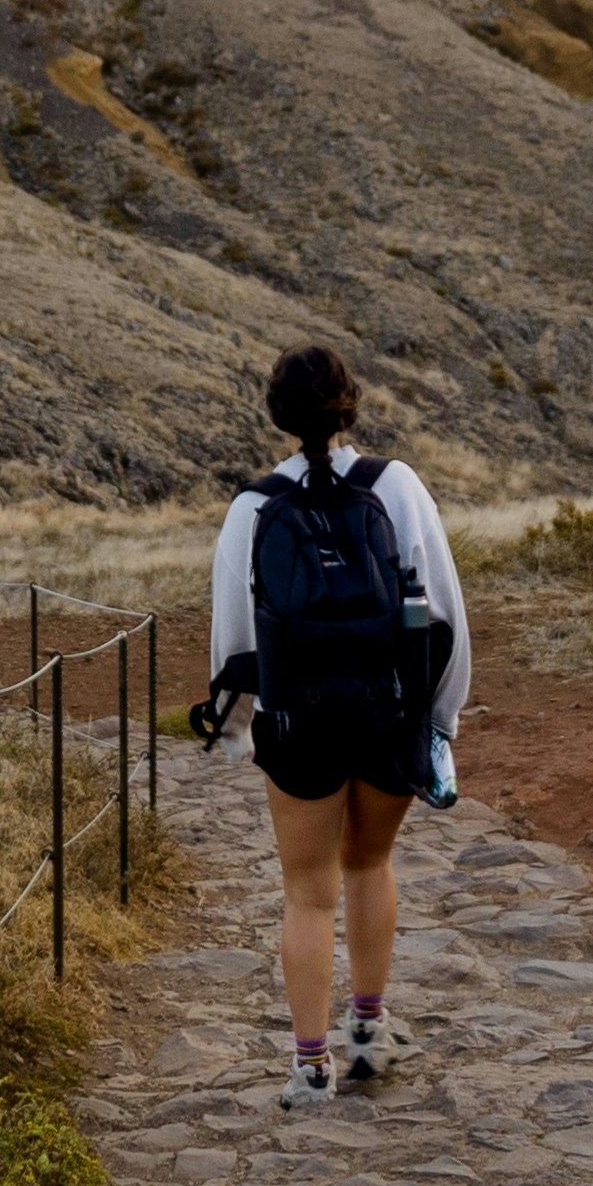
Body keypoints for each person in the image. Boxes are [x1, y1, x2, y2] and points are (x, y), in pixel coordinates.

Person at [189, 343, 471, 1108]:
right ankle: (371, 1037)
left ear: (278, 415)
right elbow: (443, 608)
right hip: (388, 714)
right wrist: (438, 722)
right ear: (350, 405)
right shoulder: (399, 486)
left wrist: (240, 732)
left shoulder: (252, 508)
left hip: (300, 724)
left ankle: (310, 1069)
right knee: (368, 864)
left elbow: (233, 640)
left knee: (305, 891)